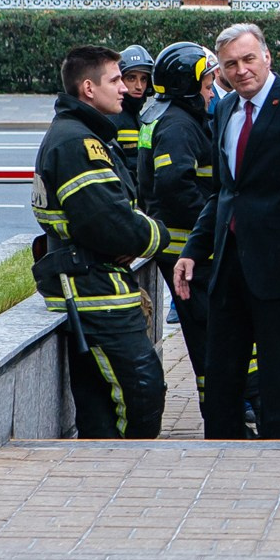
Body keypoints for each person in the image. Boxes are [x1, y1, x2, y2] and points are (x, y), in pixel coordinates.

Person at [175, 23, 280, 441]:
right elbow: (223, 191)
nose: (241, 70)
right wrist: (193, 251)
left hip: (279, 263)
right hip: (228, 262)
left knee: (278, 371)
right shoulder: (225, 108)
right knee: (221, 371)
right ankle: (221, 452)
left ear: (267, 57)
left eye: (249, 59)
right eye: (231, 64)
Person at [31, 45, 167, 439]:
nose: (125, 88)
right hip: (95, 294)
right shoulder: (78, 143)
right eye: (115, 79)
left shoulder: (84, 134)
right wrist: (154, 234)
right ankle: (124, 467)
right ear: (88, 88)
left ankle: (104, 470)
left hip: (93, 286)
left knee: (100, 403)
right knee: (141, 390)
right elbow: (111, 225)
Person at [138, 41, 219, 427]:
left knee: (209, 328)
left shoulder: (183, 117)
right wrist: (213, 226)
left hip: (192, 246)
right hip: (188, 248)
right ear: (188, 85)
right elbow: (175, 185)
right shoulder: (177, 125)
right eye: (207, 83)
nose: (212, 90)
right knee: (207, 330)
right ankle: (225, 409)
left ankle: (239, 403)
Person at [112, 44, 154, 170]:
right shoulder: (112, 117)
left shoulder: (137, 117)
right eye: (131, 78)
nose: (139, 86)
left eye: (144, 79)